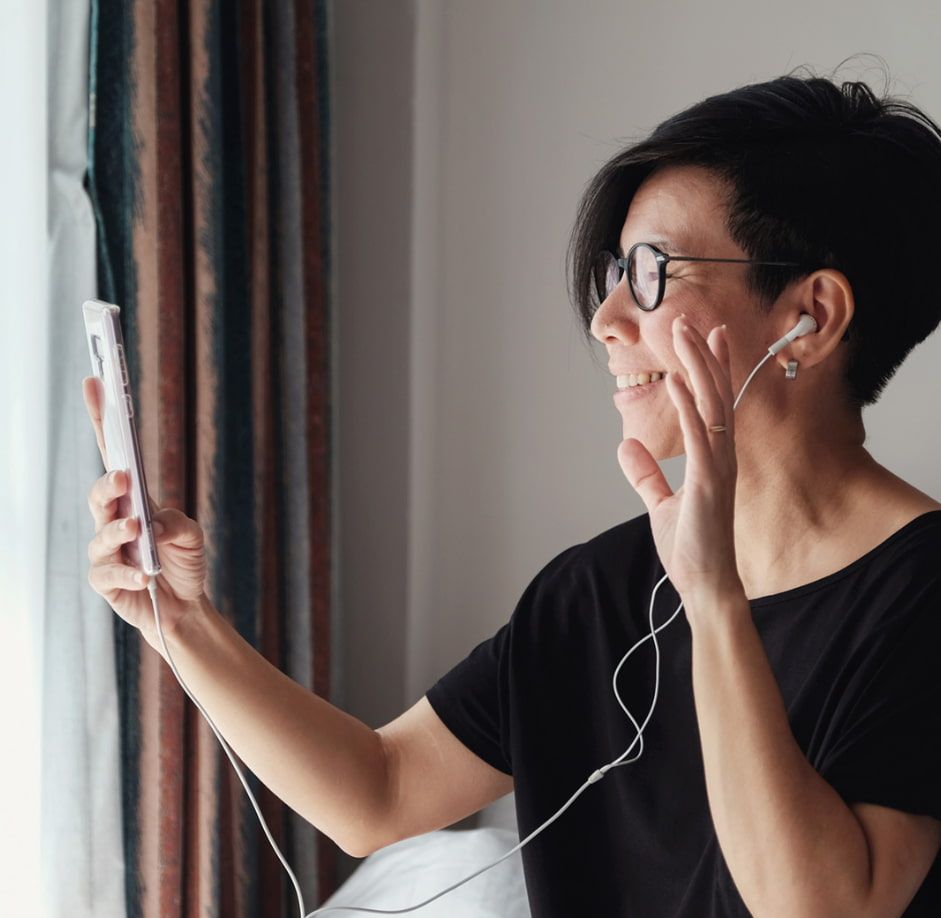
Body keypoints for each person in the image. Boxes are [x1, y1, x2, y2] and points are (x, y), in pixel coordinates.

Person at [85, 69, 941, 916]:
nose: (606, 319)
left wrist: (714, 600)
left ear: (812, 316)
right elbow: (378, 794)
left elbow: (824, 907)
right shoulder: (592, 591)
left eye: (649, 272)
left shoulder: (921, 593)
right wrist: (183, 623)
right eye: (612, 273)